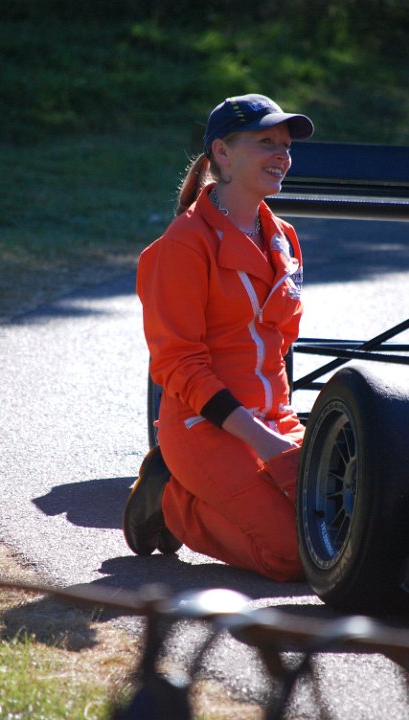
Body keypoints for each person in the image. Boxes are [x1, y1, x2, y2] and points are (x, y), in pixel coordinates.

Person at [129, 93, 314, 581]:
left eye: (286, 145)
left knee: (341, 534)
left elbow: (280, 342)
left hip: (275, 419)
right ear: (223, 153)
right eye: (266, 142)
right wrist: (264, 444)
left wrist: (279, 430)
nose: (283, 155)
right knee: (296, 555)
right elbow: (178, 366)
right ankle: (171, 501)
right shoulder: (184, 243)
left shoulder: (285, 238)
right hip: (203, 428)